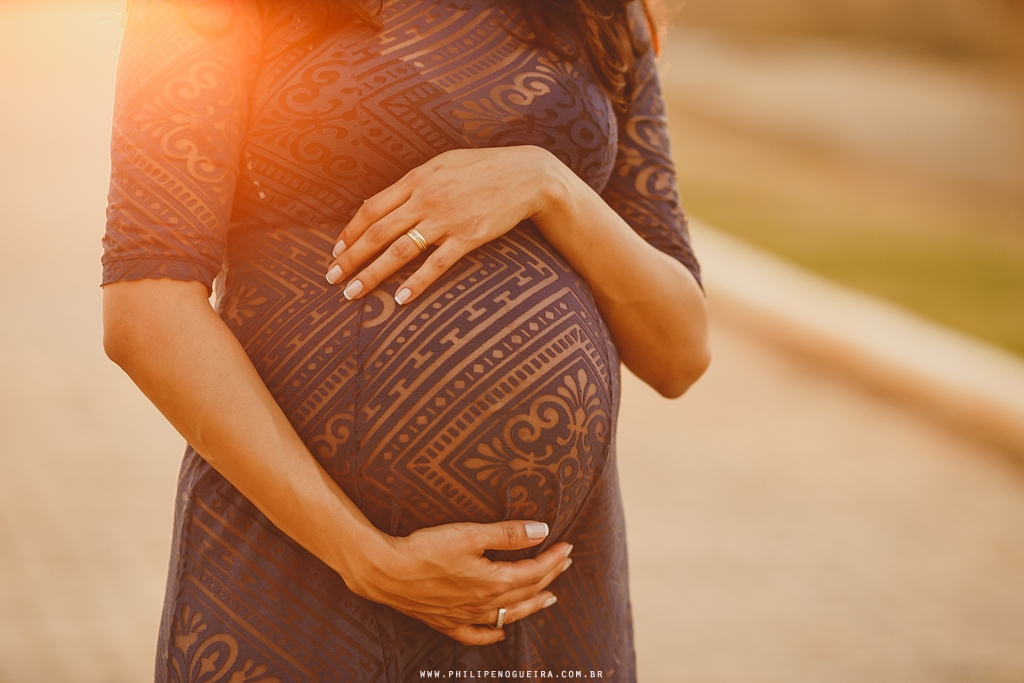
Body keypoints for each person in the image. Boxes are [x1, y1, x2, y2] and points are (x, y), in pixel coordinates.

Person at [101, 0, 709, 677]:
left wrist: (550, 185)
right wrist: (363, 555)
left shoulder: (600, 13)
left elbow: (680, 351)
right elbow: (146, 309)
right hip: (298, 582)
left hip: (545, 603)